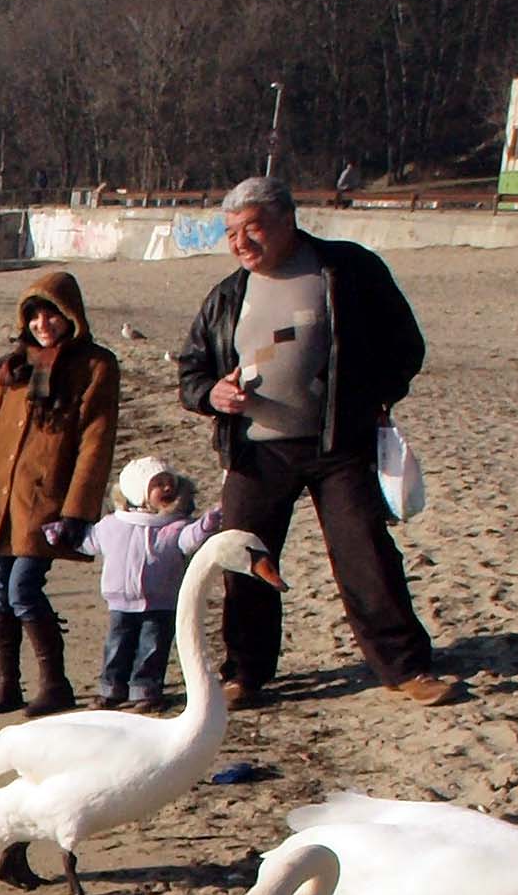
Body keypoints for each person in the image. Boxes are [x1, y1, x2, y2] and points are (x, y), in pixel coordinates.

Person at [175, 176, 459, 708]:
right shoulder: (228, 294)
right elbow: (192, 370)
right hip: (256, 451)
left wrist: (379, 398)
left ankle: (406, 669)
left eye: (251, 228)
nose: (240, 243)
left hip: (339, 446)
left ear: (287, 220)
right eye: (231, 232)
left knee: (365, 556)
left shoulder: (348, 270)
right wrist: (213, 394)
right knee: (244, 559)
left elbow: (406, 344)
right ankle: (246, 674)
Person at [0, 268, 119, 717]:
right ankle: (7, 684)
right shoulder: (13, 369)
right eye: (35, 316)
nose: (43, 325)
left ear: (71, 316)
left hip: (45, 504)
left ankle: (56, 685)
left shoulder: (95, 366)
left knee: (23, 589)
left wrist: (76, 510)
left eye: (52, 315)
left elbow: (95, 441)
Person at [83, 457, 220, 710]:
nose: (167, 488)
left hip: (161, 599)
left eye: (171, 483)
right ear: (139, 493)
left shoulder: (176, 526)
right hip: (120, 600)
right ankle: (111, 689)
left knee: (152, 649)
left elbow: (190, 540)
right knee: (116, 647)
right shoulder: (113, 524)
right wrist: (60, 533)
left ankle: (146, 691)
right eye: (158, 484)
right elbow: (90, 542)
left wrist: (207, 524)